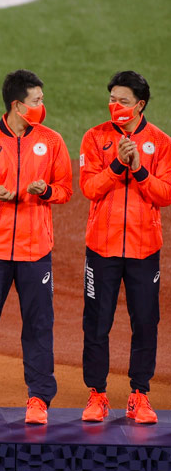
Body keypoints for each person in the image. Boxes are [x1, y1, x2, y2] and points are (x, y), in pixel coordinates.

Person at [0, 69, 72, 424]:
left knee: (39, 325)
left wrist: (47, 192)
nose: (42, 105)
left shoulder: (52, 142)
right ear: (17, 105)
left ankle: (38, 399)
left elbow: (66, 189)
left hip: (35, 250)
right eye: (37, 100)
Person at [79, 71, 171, 424]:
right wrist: (119, 164)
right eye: (112, 99)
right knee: (97, 324)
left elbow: (165, 195)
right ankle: (97, 394)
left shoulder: (161, 143)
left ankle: (140, 395)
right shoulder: (95, 138)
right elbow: (89, 188)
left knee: (146, 322)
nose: (115, 106)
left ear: (141, 105)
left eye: (123, 100)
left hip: (144, 248)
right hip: (101, 248)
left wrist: (141, 170)